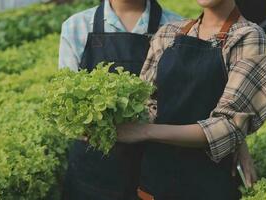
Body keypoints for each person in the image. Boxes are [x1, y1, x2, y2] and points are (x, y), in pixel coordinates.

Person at [116, 0, 266, 199]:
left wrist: (145, 131)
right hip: (154, 183)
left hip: (208, 185)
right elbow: (148, 104)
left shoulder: (249, 40)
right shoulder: (168, 33)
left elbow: (228, 126)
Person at [58, 0, 182, 199]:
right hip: (93, 173)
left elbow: (189, 100)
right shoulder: (76, 27)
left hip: (158, 168)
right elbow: (69, 111)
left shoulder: (180, 27)